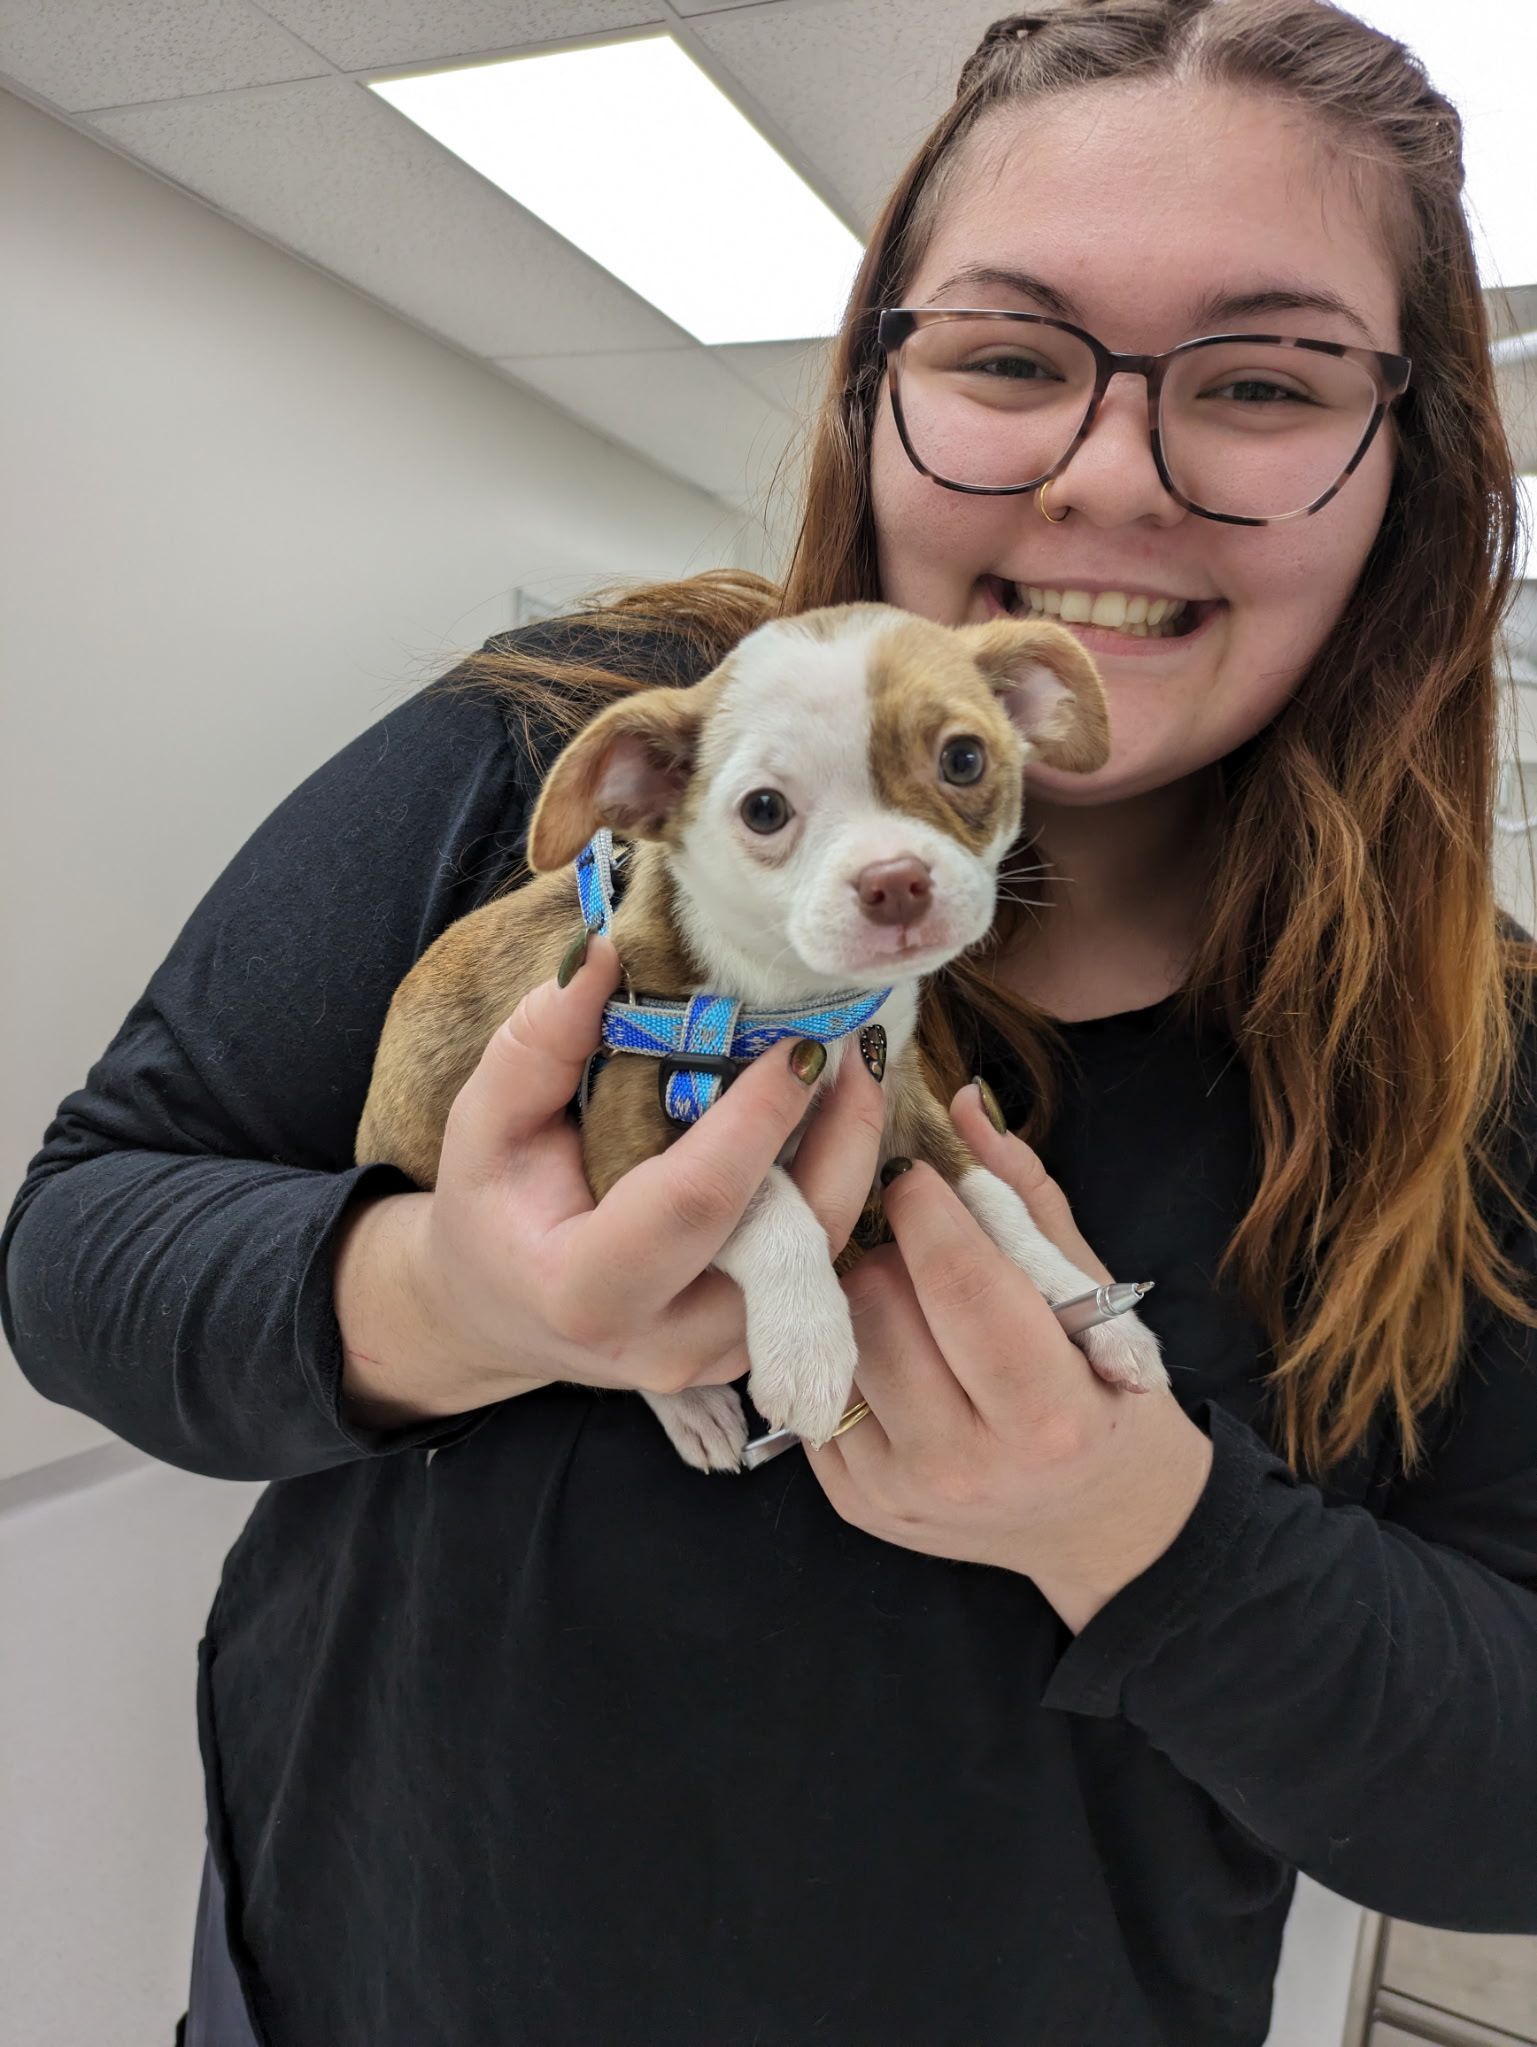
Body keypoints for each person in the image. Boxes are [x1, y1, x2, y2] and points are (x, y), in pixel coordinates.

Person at [5, 1, 1536, 2040]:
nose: (1109, 475)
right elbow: (81, 1247)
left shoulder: (1484, 1066)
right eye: (1009, 355)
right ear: (876, 391)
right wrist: (450, 1299)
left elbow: (1501, 1813)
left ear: (1405, 462)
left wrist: (1141, 1527)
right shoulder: (563, 739)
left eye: (1258, 380)